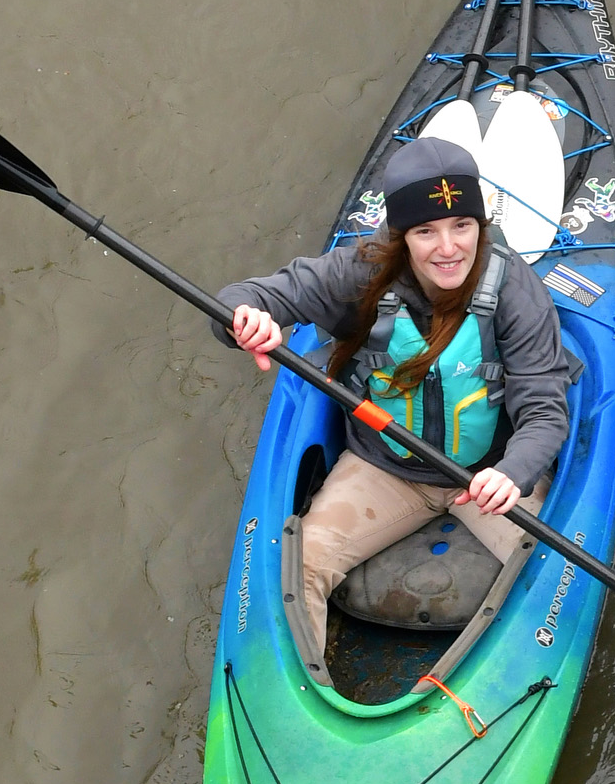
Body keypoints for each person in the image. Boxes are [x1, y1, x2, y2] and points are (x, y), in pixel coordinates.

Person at [214, 137, 574, 647]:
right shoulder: (358, 271)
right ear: (401, 235)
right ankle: (299, 701)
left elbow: (544, 411)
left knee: (557, 582)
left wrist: (512, 473)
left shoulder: (515, 289)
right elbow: (249, 296)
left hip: (488, 474)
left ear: (480, 226)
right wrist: (244, 320)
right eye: (426, 231)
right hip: (385, 468)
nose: (449, 249)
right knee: (302, 565)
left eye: (462, 226)